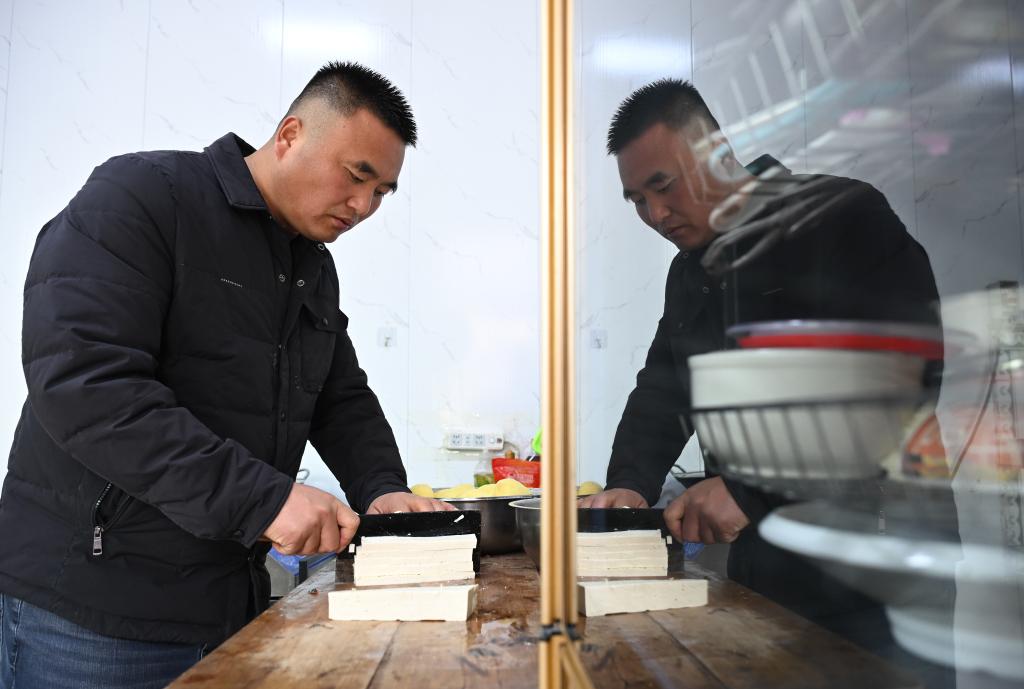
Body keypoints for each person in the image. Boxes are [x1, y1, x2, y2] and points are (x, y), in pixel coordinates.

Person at [0, 61, 451, 689]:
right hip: (90, 614)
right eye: (357, 176)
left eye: (382, 192)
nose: (364, 206)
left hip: (224, 606)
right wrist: (264, 500)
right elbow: (86, 385)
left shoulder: (310, 265)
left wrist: (382, 490)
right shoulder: (144, 196)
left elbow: (340, 397)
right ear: (290, 135)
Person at [579, 79, 941, 640]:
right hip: (767, 569)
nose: (657, 214)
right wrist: (630, 485)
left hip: (879, 566)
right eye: (637, 201)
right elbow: (664, 391)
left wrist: (750, 490)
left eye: (664, 187)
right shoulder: (690, 272)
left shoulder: (838, 217)